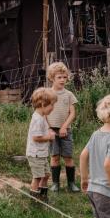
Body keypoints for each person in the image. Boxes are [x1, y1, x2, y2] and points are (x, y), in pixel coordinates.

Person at [46, 62, 80, 192]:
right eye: (59, 77)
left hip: (66, 130)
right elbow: (43, 113)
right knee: (54, 157)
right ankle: (55, 184)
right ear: (52, 78)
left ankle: (71, 183)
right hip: (51, 130)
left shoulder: (69, 94)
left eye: (64, 77)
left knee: (68, 157)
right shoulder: (47, 93)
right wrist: (49, 128)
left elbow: (72, 113)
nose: (62, 80)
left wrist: (64, 127)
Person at [26, 87, 57, 202]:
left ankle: (43, 197)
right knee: (38, 177)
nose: (53, 108)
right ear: (43, 105)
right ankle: (34, 201)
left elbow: (46, 127)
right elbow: (36, 137)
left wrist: (49, 131)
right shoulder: (37, 119)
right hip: (35, 154)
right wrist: (49, 137)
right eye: (52, 105)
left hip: (42, 153)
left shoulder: (42, 116)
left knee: (46, 175)